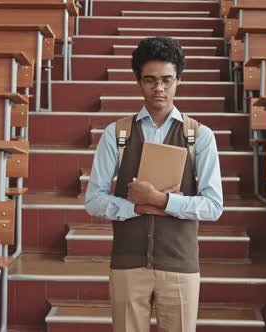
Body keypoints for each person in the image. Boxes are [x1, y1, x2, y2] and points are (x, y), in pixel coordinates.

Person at [84, 36, 223, 332]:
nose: (158, 88)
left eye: (166, 80)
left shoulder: (199, 135)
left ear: (178, 81)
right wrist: (137, 206)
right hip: (127, 263)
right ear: (138, 81)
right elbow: (93, 198)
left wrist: (161, 201)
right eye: (150, 80)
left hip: (180, 264)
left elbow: (214, 206)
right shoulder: (116, 133)